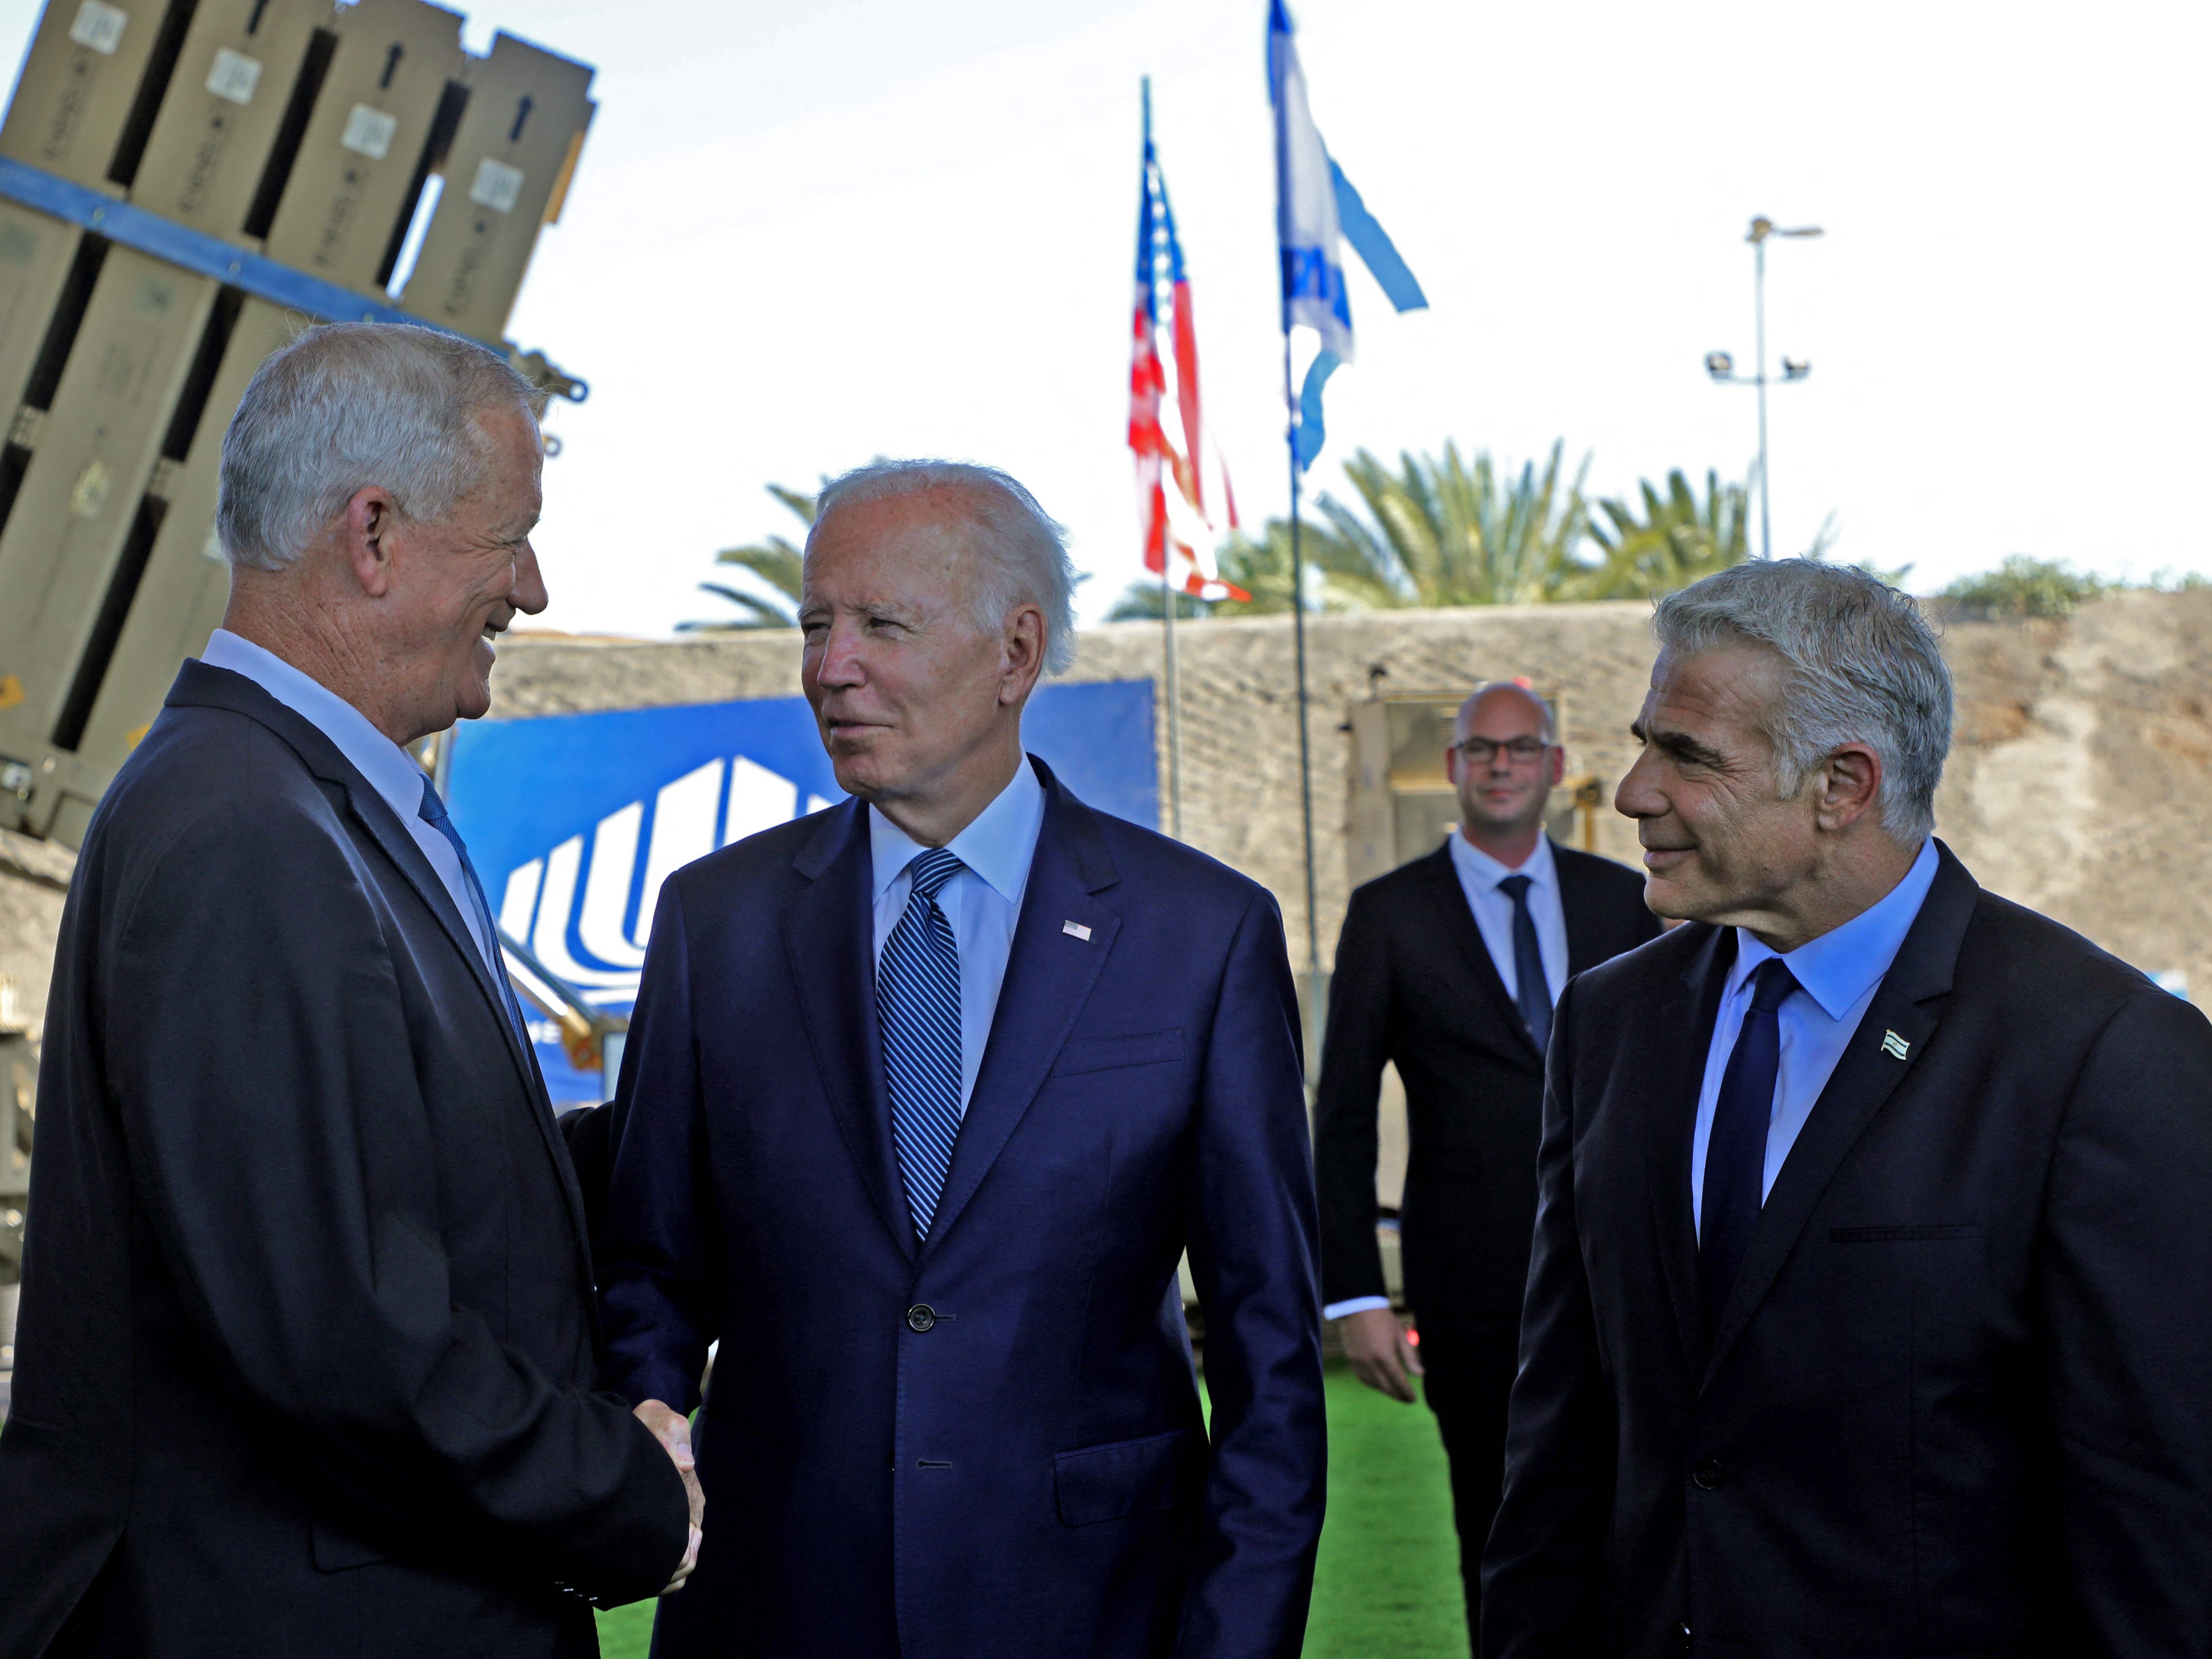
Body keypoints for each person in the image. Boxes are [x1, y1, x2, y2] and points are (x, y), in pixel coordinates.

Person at [0, 323, 697, 1659]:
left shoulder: (295, 798)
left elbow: (400, 1190)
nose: (534, 588)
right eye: (511, 535)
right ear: (372, 534)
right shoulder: (249, 833)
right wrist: (630, 1495)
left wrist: (685, 1129)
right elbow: (347, 1343)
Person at [597, 460, 1327, 1658]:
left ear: (1015, 654)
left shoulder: (1200, 934)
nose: (831, 668)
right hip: (775, 1607)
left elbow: (1269, 1360)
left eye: (882, 624)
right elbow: (651, 1268)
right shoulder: (712, 922)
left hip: (1090, 1611)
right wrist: (643, 1429)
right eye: (816, 625)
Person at [1480, 559, 2212, 1658]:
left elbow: (2152, 1520)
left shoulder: (2098, 1055)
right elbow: (1559, 1448)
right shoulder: (1607, 1024)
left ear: (1842, 786)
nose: (1631, 792)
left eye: (1683, 755)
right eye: (1643, 742)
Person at [1314, 680, 1657, 1648]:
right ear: (1455, 768)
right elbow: (1339, 1112)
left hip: (1625, 1272)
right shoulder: (1388, 912)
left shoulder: (1624, 900)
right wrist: (1354, 1294)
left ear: (1554, 764)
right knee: (1496, 1518)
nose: (1501, 764)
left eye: (1520, 747)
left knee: (1638, 1504)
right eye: (1481, 749)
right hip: (1470, 1281)